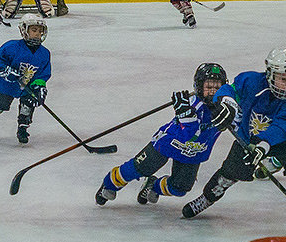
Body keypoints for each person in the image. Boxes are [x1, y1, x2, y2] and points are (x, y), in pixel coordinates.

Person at [180, 49, 286, 232]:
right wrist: (226, 102)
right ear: (270, 73)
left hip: (285, 139)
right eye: (282, 78)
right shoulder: (250, 81)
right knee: (228, 175)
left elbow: (280, 129)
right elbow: (228, 89)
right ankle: (206, 198)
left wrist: (262, 146)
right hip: (248, 138)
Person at [96, 63, 230, 206]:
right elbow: (189, 134)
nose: (213, 92)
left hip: (193, 152)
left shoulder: (228, 107)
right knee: (139, 168)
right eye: (208, 87)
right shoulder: (192, 105)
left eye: (217, 87)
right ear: (198, 86)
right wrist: (185, 114)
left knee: (179, 188)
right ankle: (109, 184)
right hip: (168, 143)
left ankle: (152, 186)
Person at [0, 13, 52, 145]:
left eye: (40, 30)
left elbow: (43, 73)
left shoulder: (44, 53)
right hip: (7, 86)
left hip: (28, 87)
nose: (37, 34)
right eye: (34, 30)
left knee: (27, 107)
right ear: (24, 30)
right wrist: (5, 70)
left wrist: (39, 86)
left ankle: (22, 129)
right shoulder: (12, 46)